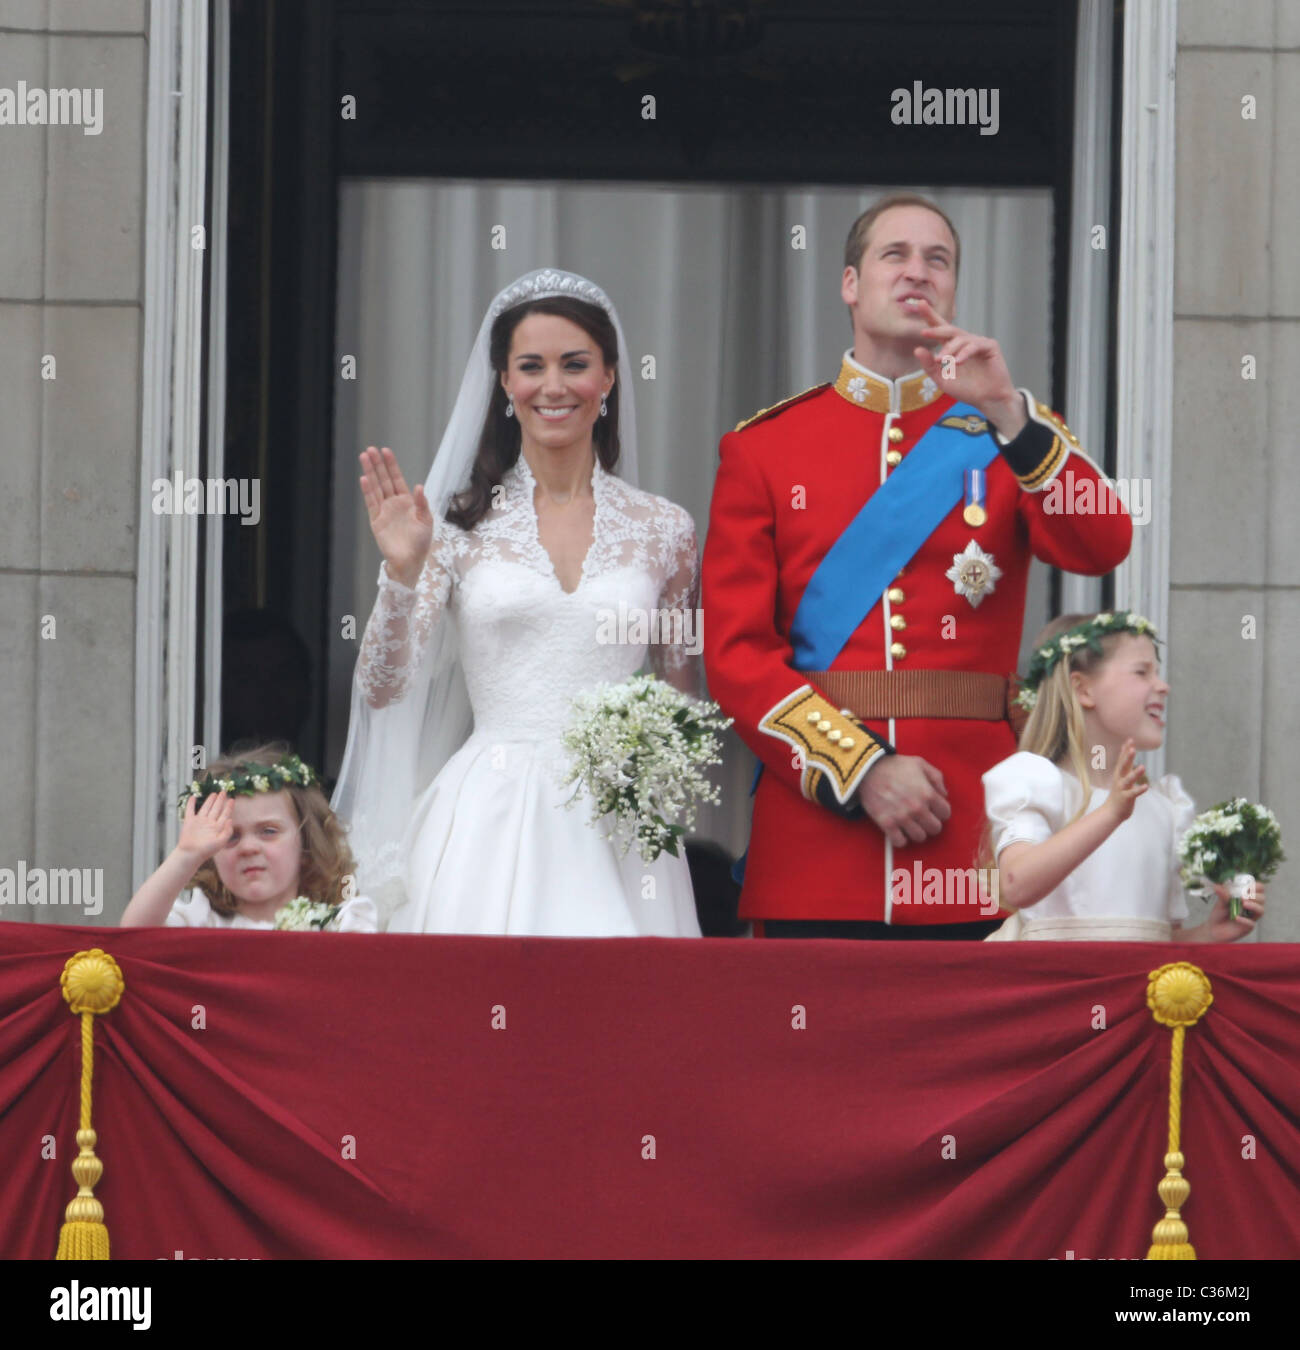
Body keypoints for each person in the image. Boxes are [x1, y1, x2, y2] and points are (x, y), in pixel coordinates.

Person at [701, 193, 1133, 938]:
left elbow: (1102, 544)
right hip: (819, 847)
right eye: (893, 255)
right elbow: (737, 654)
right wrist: (859, 769)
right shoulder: (767, 447)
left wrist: (1009, 415)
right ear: (849, 284)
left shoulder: (1011, 431)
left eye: (938, 260)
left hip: (973, 832)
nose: (917, 273)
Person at [333, 269, 702, 936]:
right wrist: (401, 574)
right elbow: (385, 688)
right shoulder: (450, 528)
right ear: (505, 383)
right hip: (488, 815)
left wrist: (641, 764)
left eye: (575, 364)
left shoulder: (666, 529)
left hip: (619, 826)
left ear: (610, 378)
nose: (553, 386)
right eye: (530, 366)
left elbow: (684, 699)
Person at [982, 612, 1265, 941]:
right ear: (1083, 689)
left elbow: (1154, 945)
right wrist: (1110, 814)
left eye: (1157, 672)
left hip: (1131, 991)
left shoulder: (1165, 808)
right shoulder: (1037, 782)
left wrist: (1210, 933)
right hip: (1054, 986)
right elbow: (1017, 883)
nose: (1162, 685)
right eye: (1142, 672)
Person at [121, 746, 378, 931]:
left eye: (268, 831)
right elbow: (133, 934)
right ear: (211, 857)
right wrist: (186, 854)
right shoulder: (200, 922)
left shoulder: (341, 924)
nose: (248, 848)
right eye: (230, 837)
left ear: (306, 844)